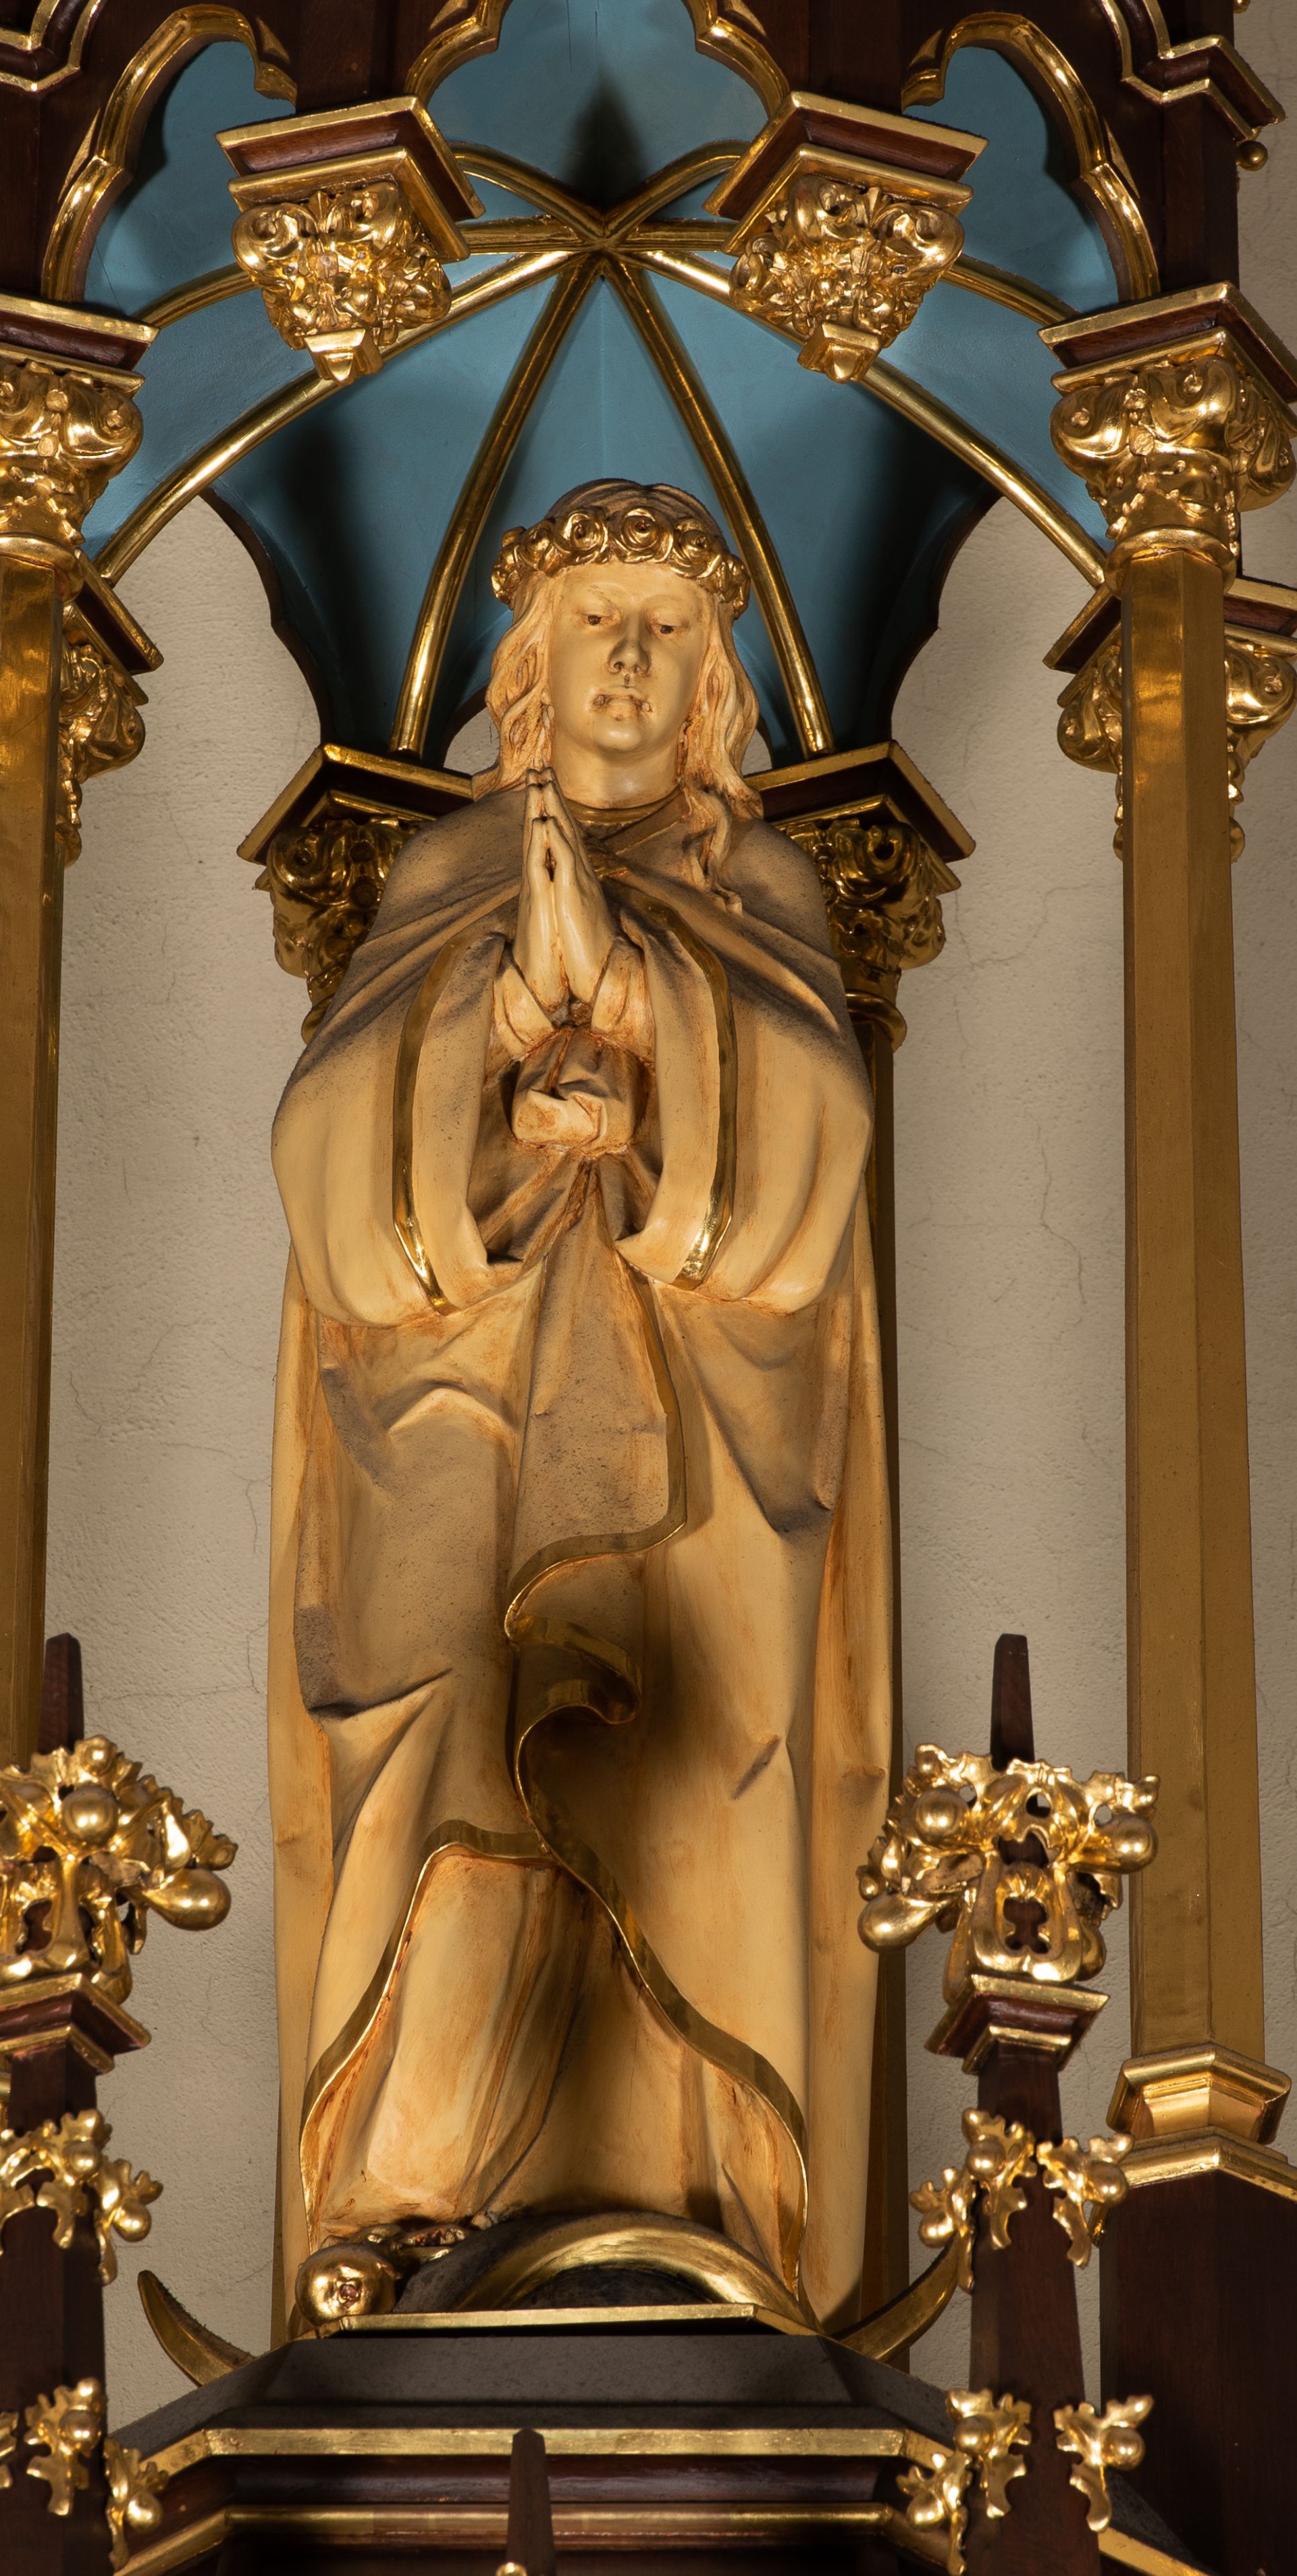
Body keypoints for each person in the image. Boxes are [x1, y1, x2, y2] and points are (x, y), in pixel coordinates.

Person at [267, 478, 891, 2329]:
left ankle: (694, 2204)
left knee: (675, 1758)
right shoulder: (447, 874)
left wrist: (639, 1027)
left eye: (668, 631)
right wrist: (495, 1059)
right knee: (456, 1739)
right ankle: (407, 2200)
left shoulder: (762, 887)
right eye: (595, 623)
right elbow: (329, 1166)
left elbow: (812, 1168)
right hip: (456, 1411)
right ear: (530, 662)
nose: (628, 660)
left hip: (693, 1444)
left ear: (715, 680)